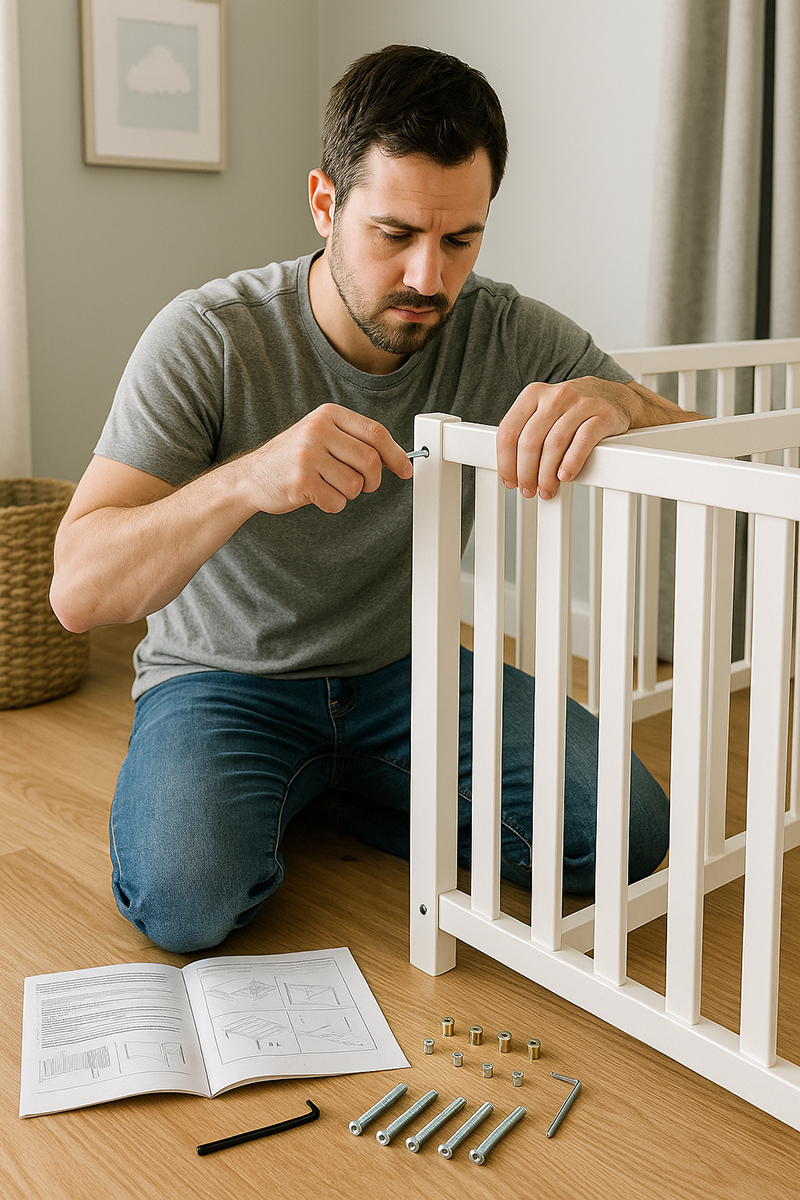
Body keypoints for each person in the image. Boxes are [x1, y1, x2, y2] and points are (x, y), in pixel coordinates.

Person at [51, 45, 700, 954]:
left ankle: (335, 783)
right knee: (186, 903)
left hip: (410, 671)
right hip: (225, 683)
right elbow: (79, 591)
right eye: (393, 234)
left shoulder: (505, 330)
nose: (428, 279)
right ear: (325, 204)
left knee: (629, 834)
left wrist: (619, 400)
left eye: (460, 239)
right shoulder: (208, 337)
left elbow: (703, 440)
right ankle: (334, 787)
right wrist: (246, 479)